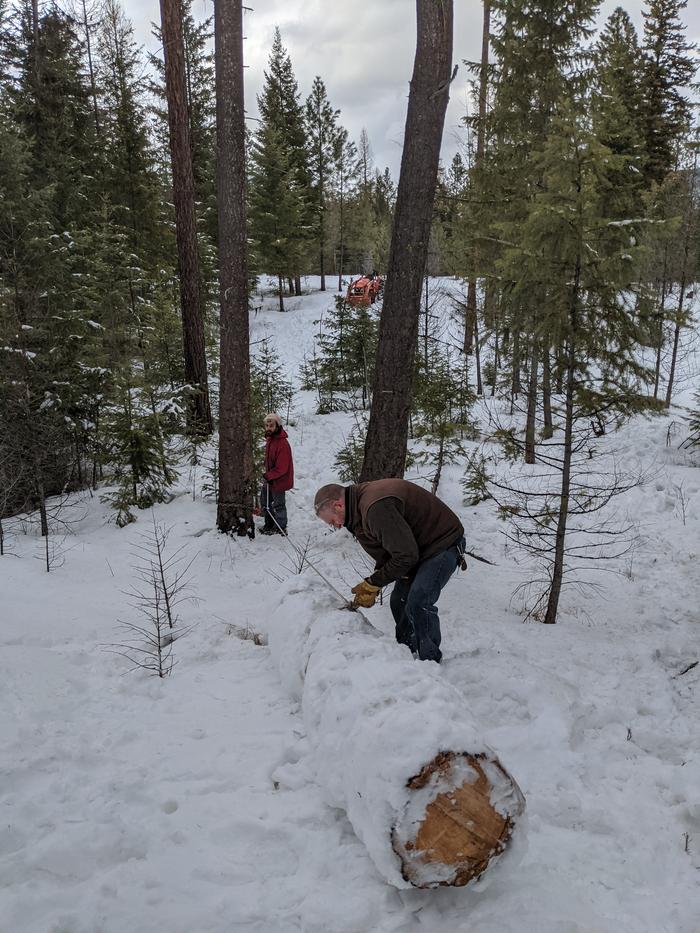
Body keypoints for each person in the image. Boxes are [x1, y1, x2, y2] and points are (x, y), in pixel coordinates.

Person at [313, 479, 466, 662]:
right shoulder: (358, 512)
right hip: (417, 549)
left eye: (332, 521)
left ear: (338, 505)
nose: (335, 526)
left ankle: (429, 660)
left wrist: (374, 582)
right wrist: (375, 581)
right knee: (398, 601)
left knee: (419, 601)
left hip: (442, 544)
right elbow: (391, 550)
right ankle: (405, 655)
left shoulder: (375, 508)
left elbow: (405, 556)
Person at [260, 413, 294, 535]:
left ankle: (280, 528)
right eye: (267, 425)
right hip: (270, 478)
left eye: (271, 425)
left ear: (277, 426)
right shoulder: (271, 440)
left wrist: (269, 476)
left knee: (279, 505)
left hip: (279, 480)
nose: (269, 428)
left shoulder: (282, 443)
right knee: (265, 502)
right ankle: (269, 524)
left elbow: (282, 467)